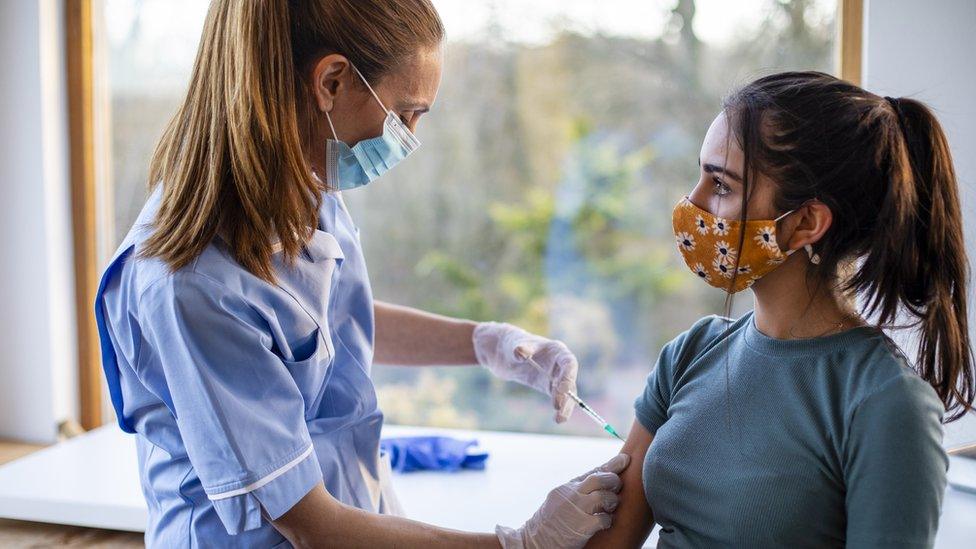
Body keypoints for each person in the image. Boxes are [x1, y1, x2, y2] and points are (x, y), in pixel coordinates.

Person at [93, 0, 627, 547]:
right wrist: (519, 544)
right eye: (406, 113)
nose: (411, 137)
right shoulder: (191, 285)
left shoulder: (305, 179)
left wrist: (488, 343)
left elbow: (326, 327)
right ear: (331, 81)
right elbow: (312, 525)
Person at [585, 71, 974, 548]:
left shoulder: (885, 402)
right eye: (701, 175)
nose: (694, 202)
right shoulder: (692, 352)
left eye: (722, 185)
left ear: (805, 223)